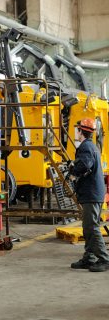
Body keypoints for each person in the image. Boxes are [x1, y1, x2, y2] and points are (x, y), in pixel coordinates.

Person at [69, 117, 109, 272]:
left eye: (77, 129)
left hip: (91, 194)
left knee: (91, 227)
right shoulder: (91, 146)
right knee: (87, 227)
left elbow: (85, 165)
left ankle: (104, 259)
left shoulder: (86, 147)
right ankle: (89, 258)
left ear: (81, 131)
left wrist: (73, 170)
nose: (76, 132)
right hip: (93, 193)